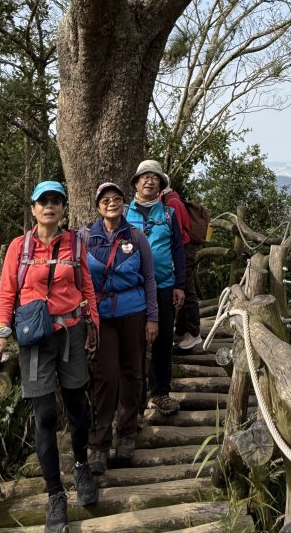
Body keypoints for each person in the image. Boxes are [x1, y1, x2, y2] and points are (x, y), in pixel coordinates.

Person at [0, 180, 99, 533]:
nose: (50, 206)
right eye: (44, 201)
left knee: (78, 408)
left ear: (63, 208)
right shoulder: (18, 247)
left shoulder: (76, 244)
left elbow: (86, 288)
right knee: (45, 415)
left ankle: (82, 465)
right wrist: (0, 333)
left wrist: (93, 323)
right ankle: (56, 494)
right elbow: (8, 291)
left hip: (71, 332)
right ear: (34, 208)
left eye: (56, 201)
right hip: (34, 338)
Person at [84, 181, 159, 473]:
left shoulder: (137, 237)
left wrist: (152, 318)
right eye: (105, 199)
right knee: (105, 377)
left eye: (117, 198)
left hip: (134, 311)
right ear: (98, 205)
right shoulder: (86, 237)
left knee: (132, 372)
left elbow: (149, 278)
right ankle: (99, 444)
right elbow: (80, 280)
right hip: (101, 316)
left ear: (124, 204)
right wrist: (87, 318)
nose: (111, 202)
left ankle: (127, 434)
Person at [126, 160, 185, 416]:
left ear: (161, 185)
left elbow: (178, 250)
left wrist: (179, 285)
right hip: (133, 289)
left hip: (164, 285)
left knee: (163, 341)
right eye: (144, 177)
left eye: (155, 177)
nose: (149, 181)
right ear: (136, 183)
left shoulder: (168, 214)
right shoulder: (122, 214)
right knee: (135, 344)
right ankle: (135, 402)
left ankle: (160, 393)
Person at [164, 180, 203, 351]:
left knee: (187, 291)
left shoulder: (172, 203)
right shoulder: (175, 199)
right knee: (186, 289)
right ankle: (181, 331)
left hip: (183, 251)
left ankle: (194, 334)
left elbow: (176, 232)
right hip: (187, 249)